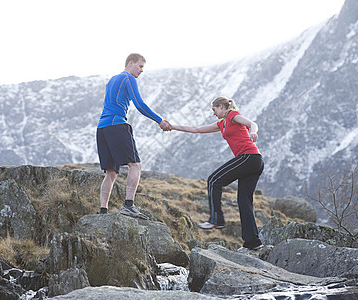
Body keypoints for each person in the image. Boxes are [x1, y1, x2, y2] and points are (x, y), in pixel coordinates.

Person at [170, 96, 264, 250]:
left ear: (221, 107)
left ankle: (216, 219)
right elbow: (197, 129)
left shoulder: (233, 115)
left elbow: (252, 123)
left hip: (249, 157)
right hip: (254, 161)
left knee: (214, 180)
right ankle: (253, 242)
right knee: (244, 201)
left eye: (214, 110)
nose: (213, 113)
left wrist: (253, 132)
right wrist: (173, 127)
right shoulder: (222, 124)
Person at [96, 53, 171, 219]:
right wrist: (160, 121)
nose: (142, 71)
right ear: (131, 63)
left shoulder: (111, 81)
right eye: (140, 66)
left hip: (102, 128)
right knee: (135, 165)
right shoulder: (128, 79)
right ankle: (128, 205)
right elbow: (139, 104)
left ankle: (103, 211)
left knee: (111, 172)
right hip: (117, 124)